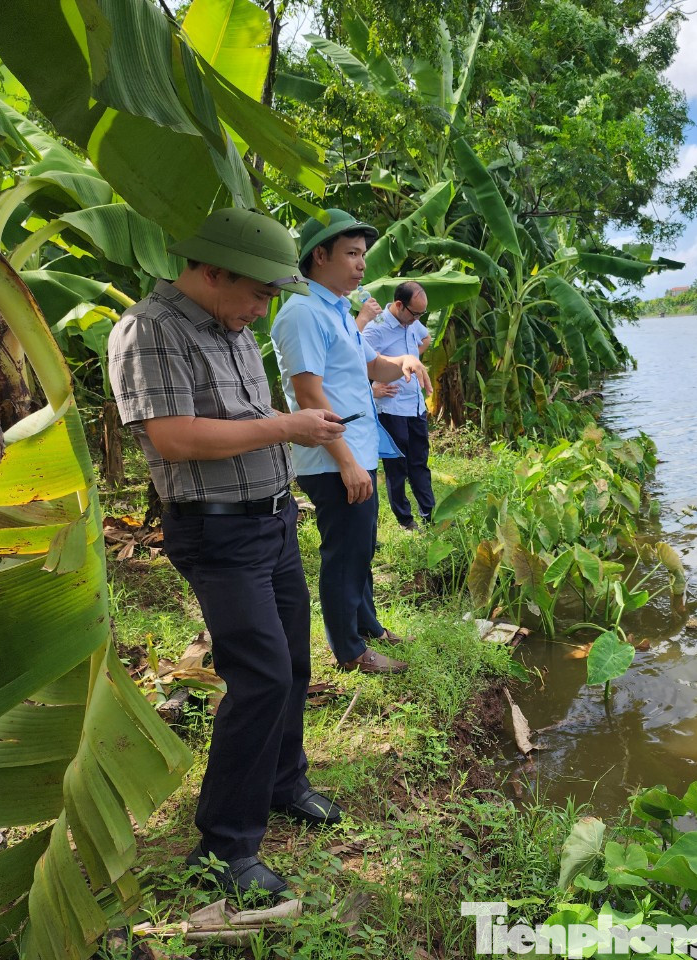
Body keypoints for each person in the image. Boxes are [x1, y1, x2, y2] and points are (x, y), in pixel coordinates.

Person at [107, 208, 353, 902]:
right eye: (257, 293)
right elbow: (175, 438)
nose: (261, 309)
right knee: (262, 675)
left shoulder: (234, 326)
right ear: (210, 272)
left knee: (294, 663)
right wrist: (287, 425)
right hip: (217, 532)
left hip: (271, 519)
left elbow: (247, 419)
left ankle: (283, 782)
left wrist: (293, 434)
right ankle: (223, 850)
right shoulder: (149, 330)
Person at [271, 209, 430, 676]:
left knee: (362, 547)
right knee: (344, 554)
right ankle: (350, 651)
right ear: (319, 256)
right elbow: (308, 394)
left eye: (363, 254)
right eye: (352, 254)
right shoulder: (302, 312)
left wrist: (401, 361)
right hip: (331, 457)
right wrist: (344, 461)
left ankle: (369, 626)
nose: (362, 265)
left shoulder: (336, 310)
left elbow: (369, 365)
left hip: (358, 448)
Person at [361, 281, 436, 529]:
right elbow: (356, 360)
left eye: (421, 314)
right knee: (397, 467)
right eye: (415, 313)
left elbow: (426, 339)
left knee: (419, 463)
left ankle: (430, 514)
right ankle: (405, 519)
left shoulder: (412, 323)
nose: (418, 319)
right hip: (391, 408)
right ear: (398, 305)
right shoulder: (376, 328)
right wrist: (373, 386)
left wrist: (414, 356)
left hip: (415, 405)